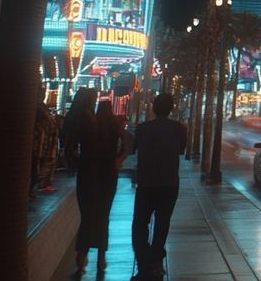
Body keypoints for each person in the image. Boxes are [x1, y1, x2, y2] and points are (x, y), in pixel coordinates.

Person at [131, 93, 186, 280]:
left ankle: (144, 263)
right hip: (169, 183)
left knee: (139, 225)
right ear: (171, 108)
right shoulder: (179, 129)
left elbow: (133, 148)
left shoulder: (142, 129)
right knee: (162, 224)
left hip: (146, 183)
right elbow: (181, 150)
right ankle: (155, 262)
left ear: (153, 108)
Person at [70, 98, 128, 274]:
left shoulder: (88, 125)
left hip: (87, 174)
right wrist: (117, 160)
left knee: (87, 215)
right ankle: (101, 257)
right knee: (103, 215)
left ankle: (81, 257)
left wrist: (79, 162)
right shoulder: (115, 126)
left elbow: (70, 148)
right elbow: (127, 146)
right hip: (108, 174)